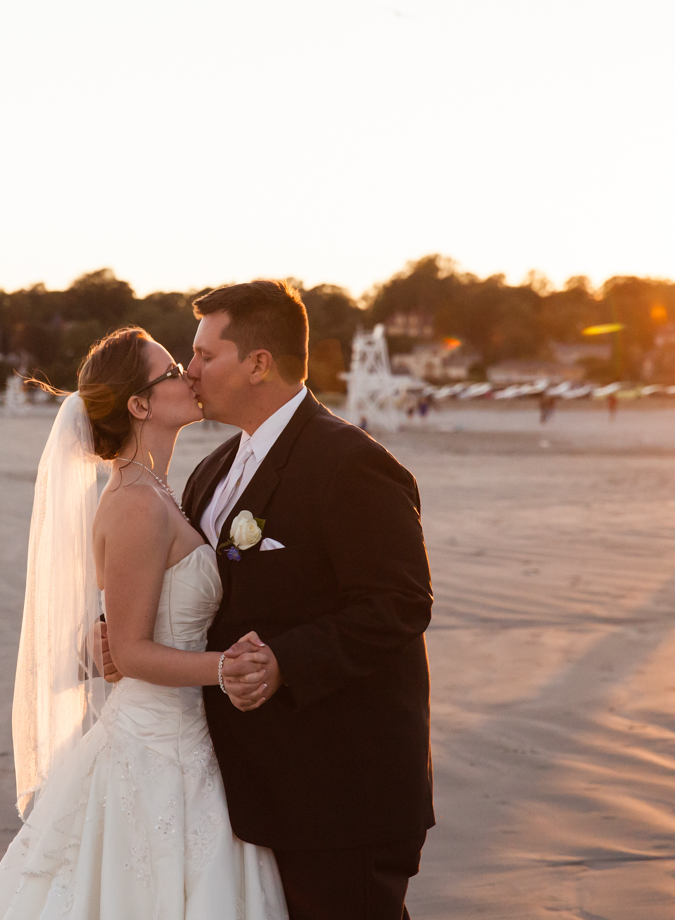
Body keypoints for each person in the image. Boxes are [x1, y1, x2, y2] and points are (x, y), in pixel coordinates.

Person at [112, 281, 435, 920]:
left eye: (206, 355)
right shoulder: (213, 472)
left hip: (342, 791)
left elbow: (399, 603)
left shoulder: (350, 465)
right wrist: (117, 634)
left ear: (260, 363)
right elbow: (195, 595)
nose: (191, 370)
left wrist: (285, 659)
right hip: (249, 791)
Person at [0, 328, 287, 920]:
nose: (189, 376)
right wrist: (226, 667)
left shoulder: (165, 491)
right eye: (172, 371)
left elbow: (126, 627)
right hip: (153, 749)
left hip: (191, 743)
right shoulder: (138, 503)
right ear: (139, 405)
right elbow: (133, 651)